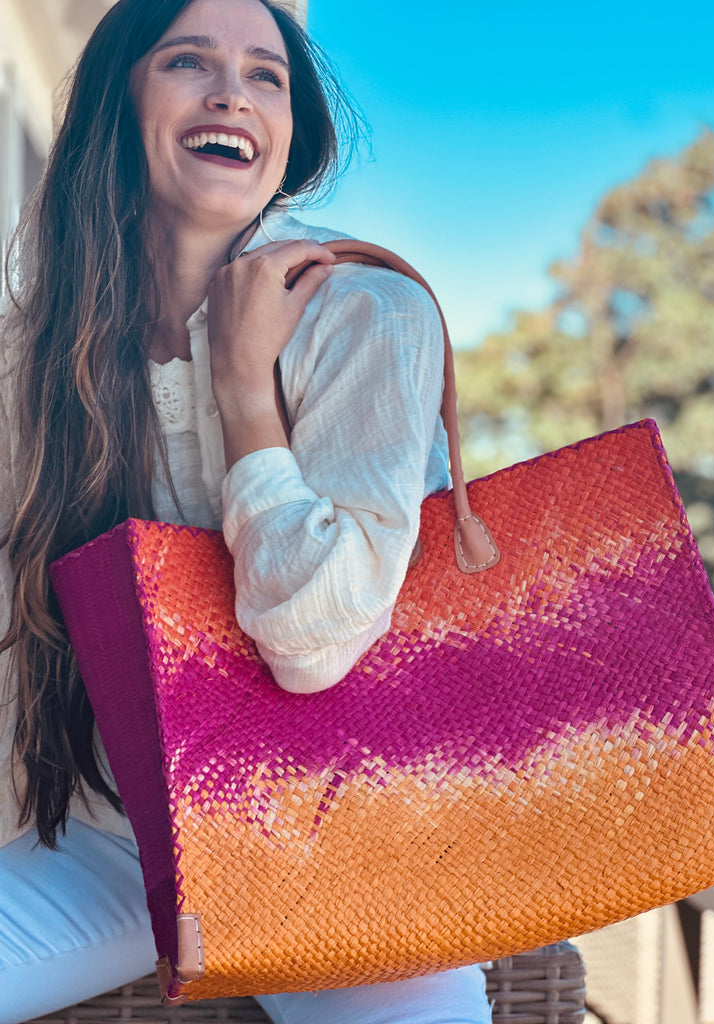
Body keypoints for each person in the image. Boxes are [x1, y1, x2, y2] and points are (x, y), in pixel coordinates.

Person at [0, 1, 492, 1021]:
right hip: (131, 831)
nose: (233, 92)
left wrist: (241, 391)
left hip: (353, 831)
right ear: (119, 101)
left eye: (266, 75)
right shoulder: (37, 349)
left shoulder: (361, 311)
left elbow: (315, 645)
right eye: (189, 60)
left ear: (290, 132)